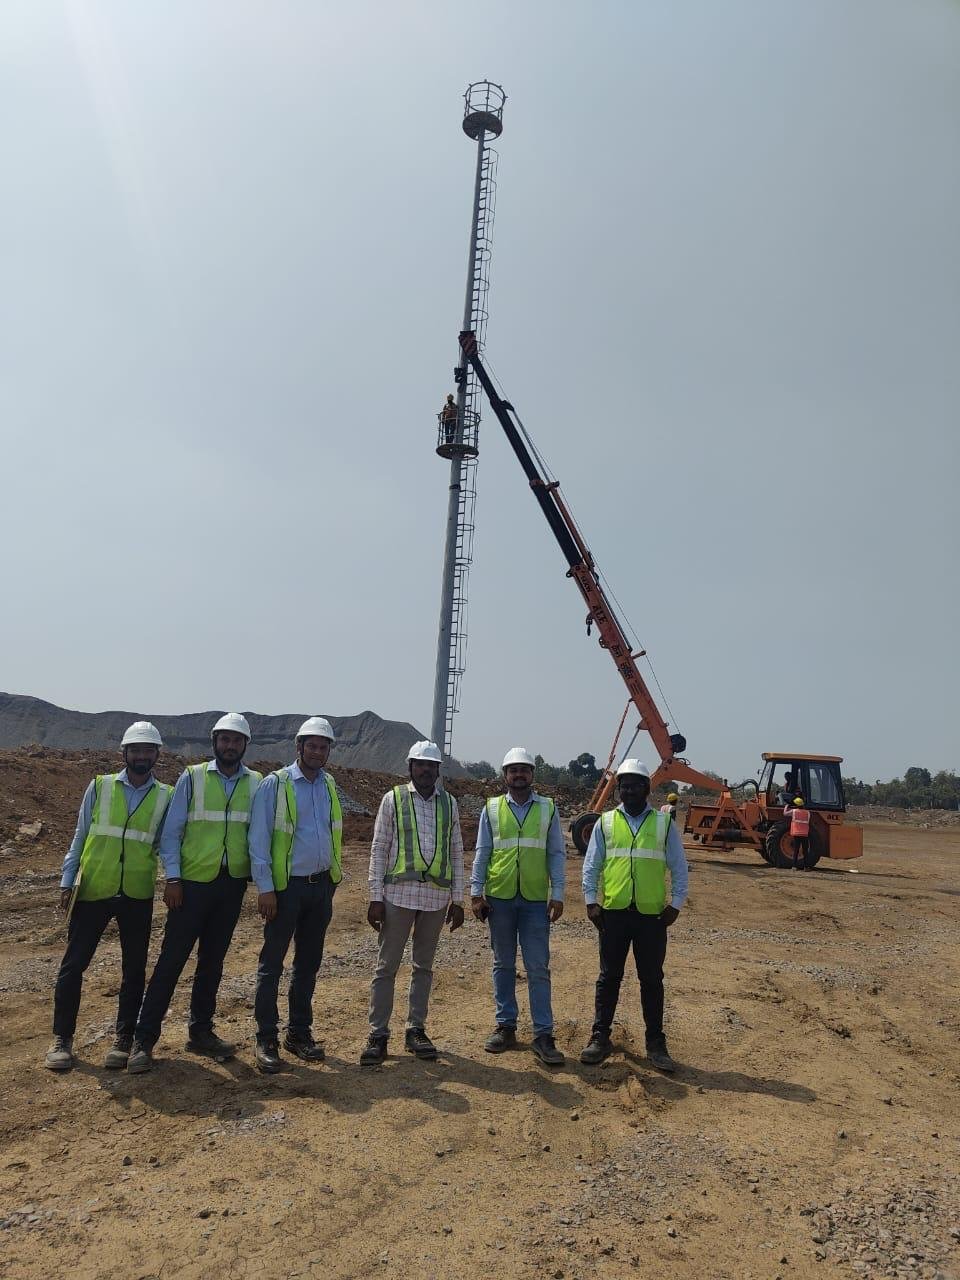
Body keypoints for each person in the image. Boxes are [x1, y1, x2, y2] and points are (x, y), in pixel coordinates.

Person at [127, 714, 262, 1073]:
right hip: (191, 886)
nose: (230, 746)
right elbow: (171, 833)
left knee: (212, 963)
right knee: (171, 962)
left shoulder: (257, 783)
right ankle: (143, 1040)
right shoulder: (193, 776)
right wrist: (173, 879)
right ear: (214, 742)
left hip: (231, 885)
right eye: (224, 739)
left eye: (236, 740)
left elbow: (259, 834)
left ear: (245, 745)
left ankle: (200, 1032)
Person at [45, 723, 172, 1072]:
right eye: (136, 750)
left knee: (134, 969)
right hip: (94, 888)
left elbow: (166, 844)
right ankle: (62, 1039)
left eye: (148, 750)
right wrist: (67, 880)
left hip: (136, 892)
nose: (142, 756)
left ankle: (123, 1040)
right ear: (124, 753)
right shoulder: (99, 786)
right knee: (73, 966)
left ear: (157, 754)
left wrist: (174, 879)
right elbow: (80, 834)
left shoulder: (166, 795)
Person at [360, 741, 465, 1065]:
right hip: (398, 896)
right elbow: (379, 848)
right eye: (420, 764)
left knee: (423, 967)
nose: (425, 770)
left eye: (431, 765)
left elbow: (456, 851)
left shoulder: (449, 803)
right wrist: (375, 897)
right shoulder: (392, 799)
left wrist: (458, 899)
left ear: (438, 770)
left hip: (435, 899)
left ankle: (415, 1029)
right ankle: (378, 1034)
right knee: (386, 967)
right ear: (410, 767)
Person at [580, 758, 688, 1073]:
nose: (628, 790)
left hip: (651, 917)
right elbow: (592, 864)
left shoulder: (663, 824)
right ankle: (600, 1037)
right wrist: (590, 901)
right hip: (613, 914)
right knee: (608, 978)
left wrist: (676, 904)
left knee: (652, 980)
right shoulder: (606, 822)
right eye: (624, 786)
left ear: (647, 788)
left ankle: (656, 1044)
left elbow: (679, 867)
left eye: (635, 785)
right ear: (619, 790)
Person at [248, 716, 342, 1074]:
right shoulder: (276, 784)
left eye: (323, 746)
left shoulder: (328, 784)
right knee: (272, 964)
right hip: (286, 889)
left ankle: (298, 1033)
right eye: (312, 745)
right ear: (299, 746)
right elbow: (258, 840)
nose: (317, 752)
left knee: (308, 964)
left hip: (321, 887)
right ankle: (266, 1037)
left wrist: (333, 879)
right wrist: (266, 888)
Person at [471, 748, 566, 1066]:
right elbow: (482, 851)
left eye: (524, 770)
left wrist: (558, 893)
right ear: (505, 775)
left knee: (538, 967)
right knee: (503, 964)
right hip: (499, 898)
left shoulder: (548, 808)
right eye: (513, 770)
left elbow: (556, 853)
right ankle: (505, 1026)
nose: (519, 775)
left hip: (535, 900)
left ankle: (543, 1034)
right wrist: (475, 893)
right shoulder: (491, 808)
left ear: (532, 775)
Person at [787, 795, 811, 871]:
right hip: (804, 834)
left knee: (796, 850)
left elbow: (785, 813)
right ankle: (806, 867)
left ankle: (794, 866)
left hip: (796, 834)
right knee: (805, 851)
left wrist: (787, 806)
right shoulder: (808, 813)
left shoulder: (794, 811)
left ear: (796, 805)